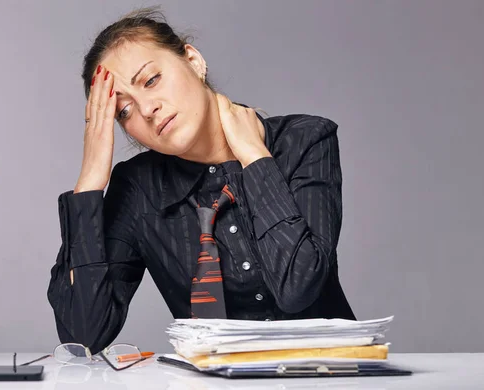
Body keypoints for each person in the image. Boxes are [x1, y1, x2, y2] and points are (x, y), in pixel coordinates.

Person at [47, 6, 355, 355]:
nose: (147, 109)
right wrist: (89, 183)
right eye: (125, 112)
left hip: (328, 377)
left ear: (192, 60)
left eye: (150, 81)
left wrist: (255, 159)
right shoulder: (138, 190)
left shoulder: (304, 140)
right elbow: (85, 333)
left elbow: (298, 287)